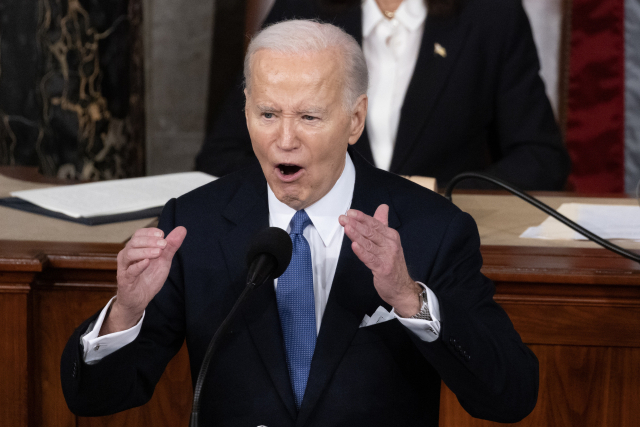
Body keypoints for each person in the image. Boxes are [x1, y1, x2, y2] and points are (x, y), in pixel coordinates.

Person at [61, 20, 538, 426]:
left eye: (309, 116)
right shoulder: (194, 226)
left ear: (355, 120)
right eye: (267, 114)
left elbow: (511, 395)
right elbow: (95, 399)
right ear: (246, 111)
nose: (284, 140)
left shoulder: (431, 228)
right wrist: (123, 313)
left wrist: (410, 300)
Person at [196, 0, 571, 190]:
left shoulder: (492, 15)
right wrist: (317, 187)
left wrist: (439, 193)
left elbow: (541, 158)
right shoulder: (302, 9)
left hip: (440, 241)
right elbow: (222, 155)